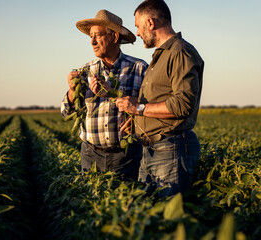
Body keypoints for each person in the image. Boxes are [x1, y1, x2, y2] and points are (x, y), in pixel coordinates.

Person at [116, 0, 204, 197]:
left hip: (171, 149)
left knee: (168, 217)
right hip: (152, 149)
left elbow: (182, 105)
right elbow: (159, 102)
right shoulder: (160, 56)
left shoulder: (180, 52)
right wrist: (138, 120)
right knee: (148, 215)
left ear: (150, 23)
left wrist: (138, 109)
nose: (137, 33)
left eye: (138, 27)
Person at [61, 9, 148, 181]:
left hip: (127, 156)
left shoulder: (139, 68)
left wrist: (137, 119)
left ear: (115, 37)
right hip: (91, 155)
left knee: (126, 204)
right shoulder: (85, 71)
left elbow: (150, 107)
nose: (92, 41)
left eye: (97, 35)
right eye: (90, 36)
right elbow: (66, 112)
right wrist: (72, 91)